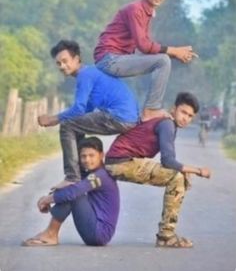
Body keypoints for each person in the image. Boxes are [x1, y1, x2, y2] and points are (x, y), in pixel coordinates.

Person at [105, 92, 211, 248]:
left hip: (120, 161)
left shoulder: (168, 124)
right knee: (177, 177)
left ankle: (166, 235)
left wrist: (184, 170)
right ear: (174, 109)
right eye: (183, 112)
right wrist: (198, 170)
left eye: (190, 116)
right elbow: (168, 161)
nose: (185, 118)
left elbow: (170, 161)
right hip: (121, 162)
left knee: (179, 175)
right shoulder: (167, 124)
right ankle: (166, 236)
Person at [94, 0, 198, 122]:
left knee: (161, 59)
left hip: (118, 58)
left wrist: (177, 53)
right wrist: (174, 51)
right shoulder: (135, 9)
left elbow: (145, 47)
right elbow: (144, 45)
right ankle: (151, 109)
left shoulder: (148, 12)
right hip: (109, 59)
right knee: (163, 60)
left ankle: (145, 110)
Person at [38, 40, 139, 186]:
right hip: (126, 118)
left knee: (67, 125)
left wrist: (54, 119)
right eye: (58, 63)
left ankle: (72, 176)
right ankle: (82, 172)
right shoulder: (91, 73)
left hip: (119, 116)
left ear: (77, 59)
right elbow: (86, 110)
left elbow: (78, 109)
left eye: (65, 61)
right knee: (75, 124)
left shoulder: (85, 75)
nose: (62, 66)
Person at [22, 137, 119, 247]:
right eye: (83, 156)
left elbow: (74, 191)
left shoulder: (100, 176)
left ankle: (51, 234)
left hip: (99, 232)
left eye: (91, 155)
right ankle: (50, 233)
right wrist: (51, 197)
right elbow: (72, 186)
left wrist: (47, 199)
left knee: (73, 194)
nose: (87, 160)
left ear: (101, 155)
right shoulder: (93, 173)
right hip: (96, 231)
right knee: (70, 189)